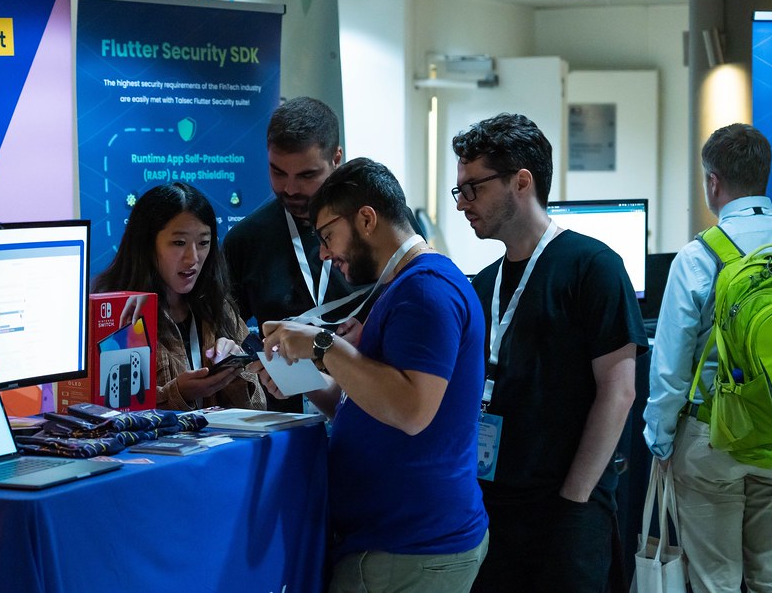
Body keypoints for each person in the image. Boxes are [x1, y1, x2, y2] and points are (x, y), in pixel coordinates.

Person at [254, 157, 489, 592]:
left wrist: (323, 345)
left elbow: (411, 410)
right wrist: (303, 375)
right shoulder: (404, 286)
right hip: (399, 541)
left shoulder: (425, 290)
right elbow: (367, 399)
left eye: (328, 236)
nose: (325, 254)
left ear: (366, 219)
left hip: (409, 548)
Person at [451, 113, 645, 592]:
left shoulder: (593, 267)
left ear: (521, 182)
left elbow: (618, 392)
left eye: (472, 188)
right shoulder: (484, 283)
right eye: (459, 191)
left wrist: (573, 499)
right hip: (491, 505)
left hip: (566, 510)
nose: (462, 204)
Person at [643, 123, 772, 592]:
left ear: (713, 183)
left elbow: (671, 368)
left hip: (712, 439)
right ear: (766, 174)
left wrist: (659, 439)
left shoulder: (699, 256)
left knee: (715, 579)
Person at [223, 96, 364, 412]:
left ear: (337, 158)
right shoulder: (245, 240)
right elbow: (226, 328)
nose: (289, 189)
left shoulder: (374, 227)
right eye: (277, 172)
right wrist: (249, 358)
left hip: (367, 410)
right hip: (285, 421)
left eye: (306, 175)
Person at [94, 182, 265, 411]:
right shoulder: (119, 313)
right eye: (179, 243)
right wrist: (176, 395)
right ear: (146, 245)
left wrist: (234, 373)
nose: (193, 257)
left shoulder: (217, 306)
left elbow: (259, 410)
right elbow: (109, 410)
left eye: (204, 243)